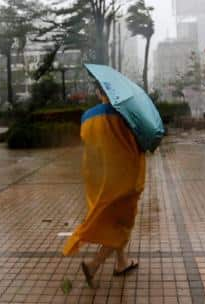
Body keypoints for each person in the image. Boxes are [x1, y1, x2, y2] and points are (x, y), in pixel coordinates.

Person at [62, 81, 146, 288]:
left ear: (100, 92)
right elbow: (140, 141)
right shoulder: (126, 114)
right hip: (124, 177)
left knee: (111, 221)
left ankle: (121, 263)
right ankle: (93, 265)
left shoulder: (87, 117)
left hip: (99, 178)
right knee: (122, 225)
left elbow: (87, 142)